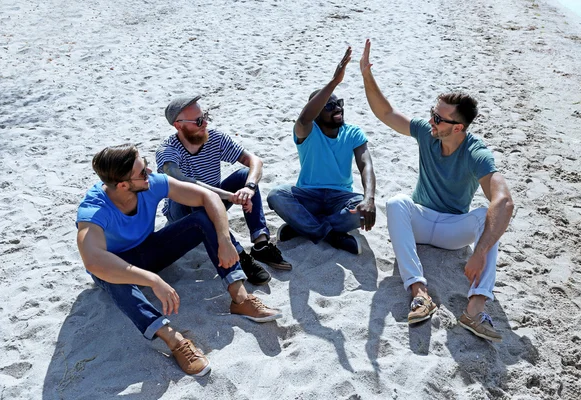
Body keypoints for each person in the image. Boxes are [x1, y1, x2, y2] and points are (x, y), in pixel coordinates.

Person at [76, 144, 282, 376]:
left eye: (145, 163)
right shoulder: (94, 209)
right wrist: (152, 279)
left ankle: (240, 299)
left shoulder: (149, 183)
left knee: (202, 219)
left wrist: (225, 239)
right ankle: (174, 341)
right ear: (123, 185)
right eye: (143, 172)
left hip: (150, 250)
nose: (150, 172)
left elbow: (207, 196)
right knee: (112, 277)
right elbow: (93, 261)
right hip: (118, 266)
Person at [360, 40, 514, 342]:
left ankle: (475, 310)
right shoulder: (427, 133)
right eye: (433, 113)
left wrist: (479, 252)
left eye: (439, 119)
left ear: (458, 127)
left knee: (488, 214)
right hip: (420, 221)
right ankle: (419, 293)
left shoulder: (475, 152)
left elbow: (504, 201)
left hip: (453, 232)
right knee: (397, 202)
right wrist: (367, 75)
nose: (432, 121)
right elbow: (387, 113)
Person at [156, 96, 292, 281]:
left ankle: (261, 244)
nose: (205, 123)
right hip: (181, 211)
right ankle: (238, 255)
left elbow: (255, 161)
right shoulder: (168, 150)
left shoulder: (215, 138)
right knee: (198, 198)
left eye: (205, 116)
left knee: (245, 175)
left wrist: (249, 188)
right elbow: (183, 182)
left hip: (216, 199)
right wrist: (229, 195)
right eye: (198, 121)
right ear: (178, 126)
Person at [267, 47, 377, 255]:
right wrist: (334, 81)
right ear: (317, 114)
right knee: (276, 195)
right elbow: (303, 118)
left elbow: (366, 165)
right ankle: (331, 234)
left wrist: (368, 198)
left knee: (360, 210)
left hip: (341, 198)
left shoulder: (352, 132)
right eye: (329, 106)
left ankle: (303, 227)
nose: (337, 108)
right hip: (308, 196)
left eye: (339, 103)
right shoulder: (306, 131)